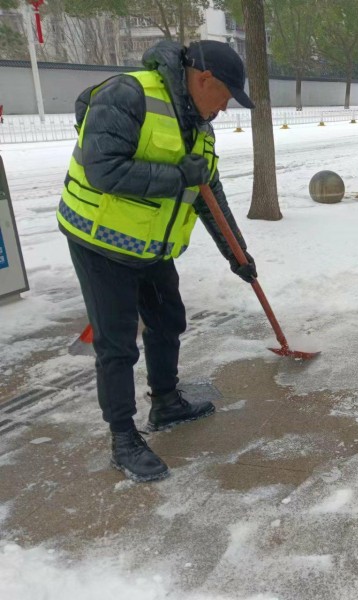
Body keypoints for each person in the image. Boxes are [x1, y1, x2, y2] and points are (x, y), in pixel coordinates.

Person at [57, 40, 258, 483]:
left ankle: (166, 403)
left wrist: (238, 256)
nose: (223, 110)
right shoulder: (127, 95)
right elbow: (102, 169)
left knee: (168, 320)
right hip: (99, 241)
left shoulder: (198, 122)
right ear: (204, 79)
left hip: (151, 245)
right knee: (117, 343)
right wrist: (176, 178)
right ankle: (123, 438)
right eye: (224, 98)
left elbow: (209, 195)